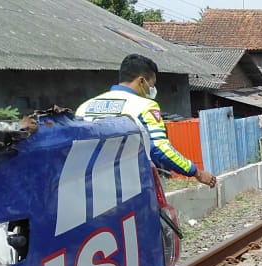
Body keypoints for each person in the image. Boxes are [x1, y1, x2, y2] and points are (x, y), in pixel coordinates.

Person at [76, 54, 216, 188]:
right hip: (131, 186)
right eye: (152, 84)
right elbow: (160, 148)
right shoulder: (144, 106)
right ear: (141, 81)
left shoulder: (84, 107)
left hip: (89, 186)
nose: (152, 89)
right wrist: (196, 172)